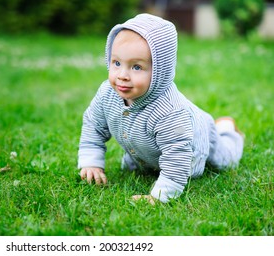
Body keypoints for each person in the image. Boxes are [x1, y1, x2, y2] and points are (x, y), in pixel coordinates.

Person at [77, 14, 244, 204]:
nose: (122, 75)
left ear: (159, 70)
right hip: (152, 152)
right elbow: (94, 126)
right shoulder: (107, 93)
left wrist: (160, 196)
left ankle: (226, 129)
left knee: (226, 160)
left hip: (198, 138)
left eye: (137, 67)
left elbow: (177, 156)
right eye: (116, 63)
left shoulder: (169, 112)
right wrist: (91, 162)